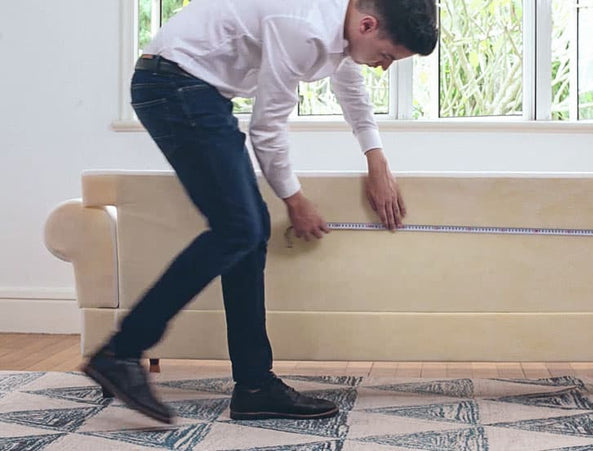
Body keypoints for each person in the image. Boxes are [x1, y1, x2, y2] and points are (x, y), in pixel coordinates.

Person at [82, 0, 438, 424]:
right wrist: (295, 199)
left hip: (195, 90)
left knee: (249, 232)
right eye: (386, 56)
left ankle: (254, 386)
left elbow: (349, 85)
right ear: (367, 24)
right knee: (238, 228)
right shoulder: (303, 26)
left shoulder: (336, 27)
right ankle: (122, 352)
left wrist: (375, 157)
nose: (382, 67)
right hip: (174, 84)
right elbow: (267, 128)